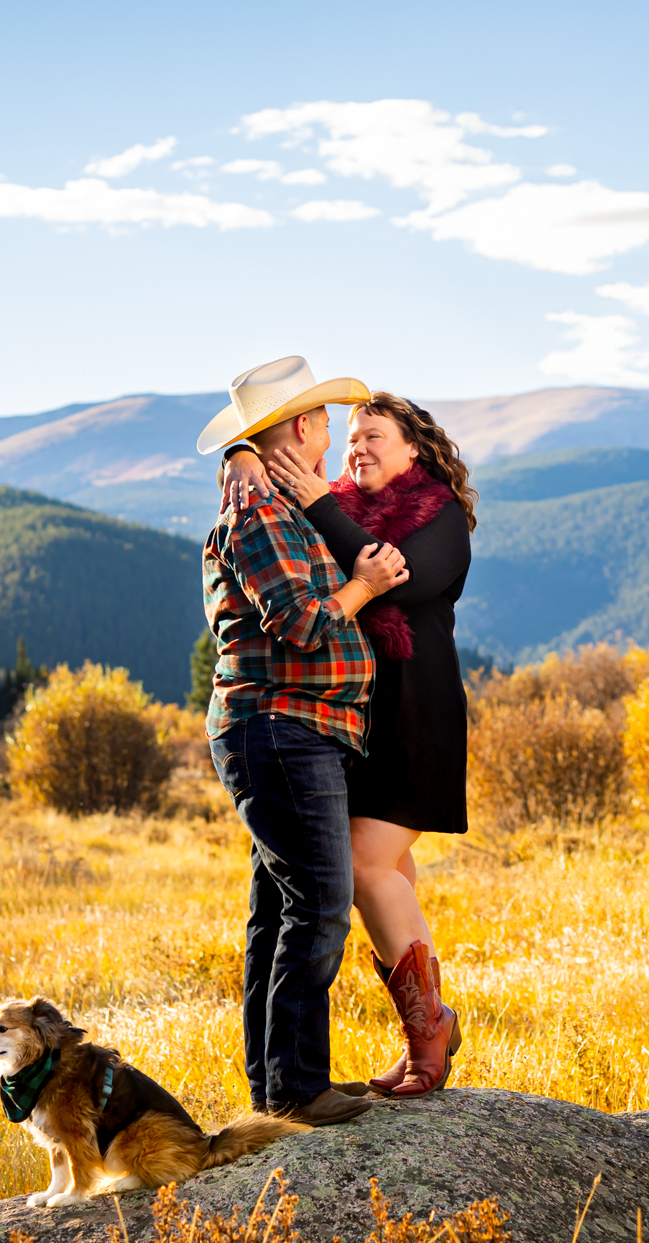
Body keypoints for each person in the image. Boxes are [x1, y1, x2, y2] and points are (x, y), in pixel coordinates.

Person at [221, 391, 472, 1096]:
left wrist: (319, 503)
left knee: (363, 870)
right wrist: (242, 453)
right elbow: (280, 512)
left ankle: (432, 1032)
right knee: (383, 880)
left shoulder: (439, 519)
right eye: (350, 436)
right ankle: (425, 1033)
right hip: (342, 725)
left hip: (414, 722)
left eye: (374, 436)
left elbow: (391, 579)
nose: (356, 446)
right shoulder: (321, 505)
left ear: (413, 450)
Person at [196, 356, 411, 1127]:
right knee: (319, 903)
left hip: (291, 730)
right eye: (322, 418)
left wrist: (243, 455)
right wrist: (367, 588)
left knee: (279, 911)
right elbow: (301, 621)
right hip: (282, 730)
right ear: (299, 427)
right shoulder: (259, 515)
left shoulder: (277, 502)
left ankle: (278, 1087)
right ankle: (294, 1087)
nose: (331, 431)